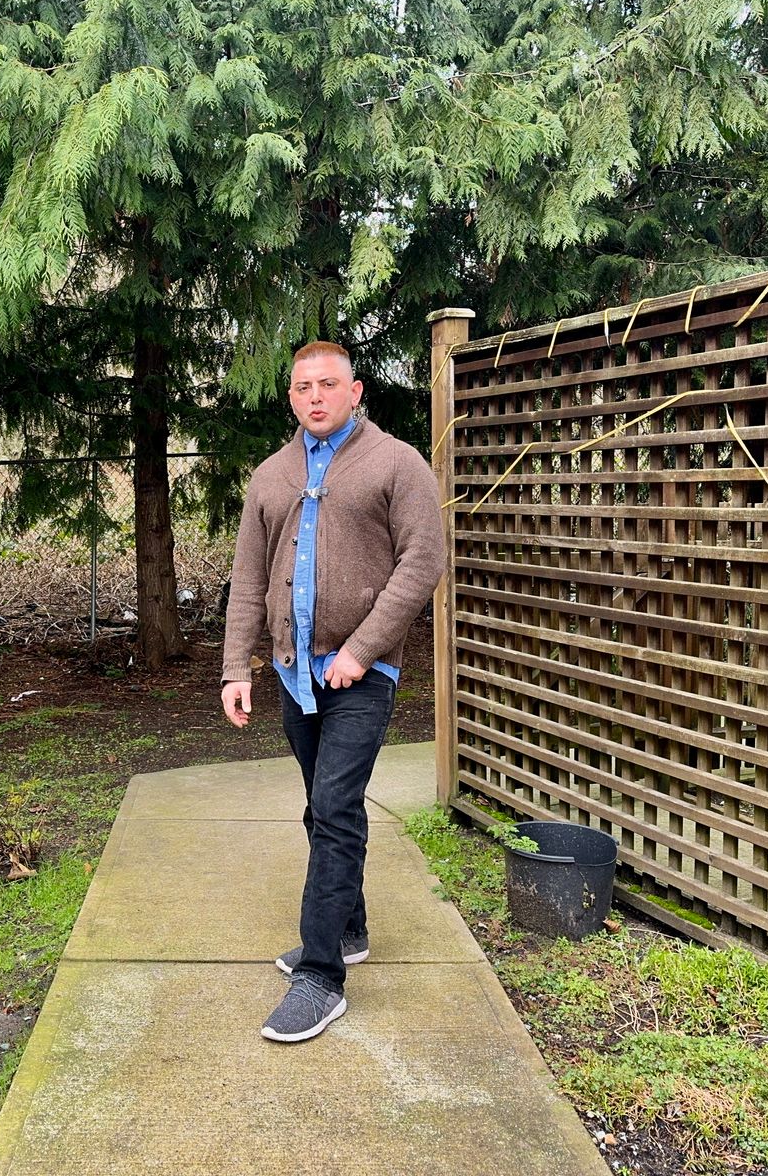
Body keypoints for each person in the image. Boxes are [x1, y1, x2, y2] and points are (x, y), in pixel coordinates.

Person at [220, 340, 446, 1043]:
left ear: (355, 391)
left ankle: (321, 976)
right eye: (302, 387)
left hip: (362, 675)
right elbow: (248, 580)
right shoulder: (272, 475)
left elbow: (423, 562)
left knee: (335, 806)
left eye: (327, 384)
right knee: (325, 809)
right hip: (294, 674)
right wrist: (236, 668)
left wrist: (361, 649)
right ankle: (348, 931)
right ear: (291, 396)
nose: (314, 396)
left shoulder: (397, 463)